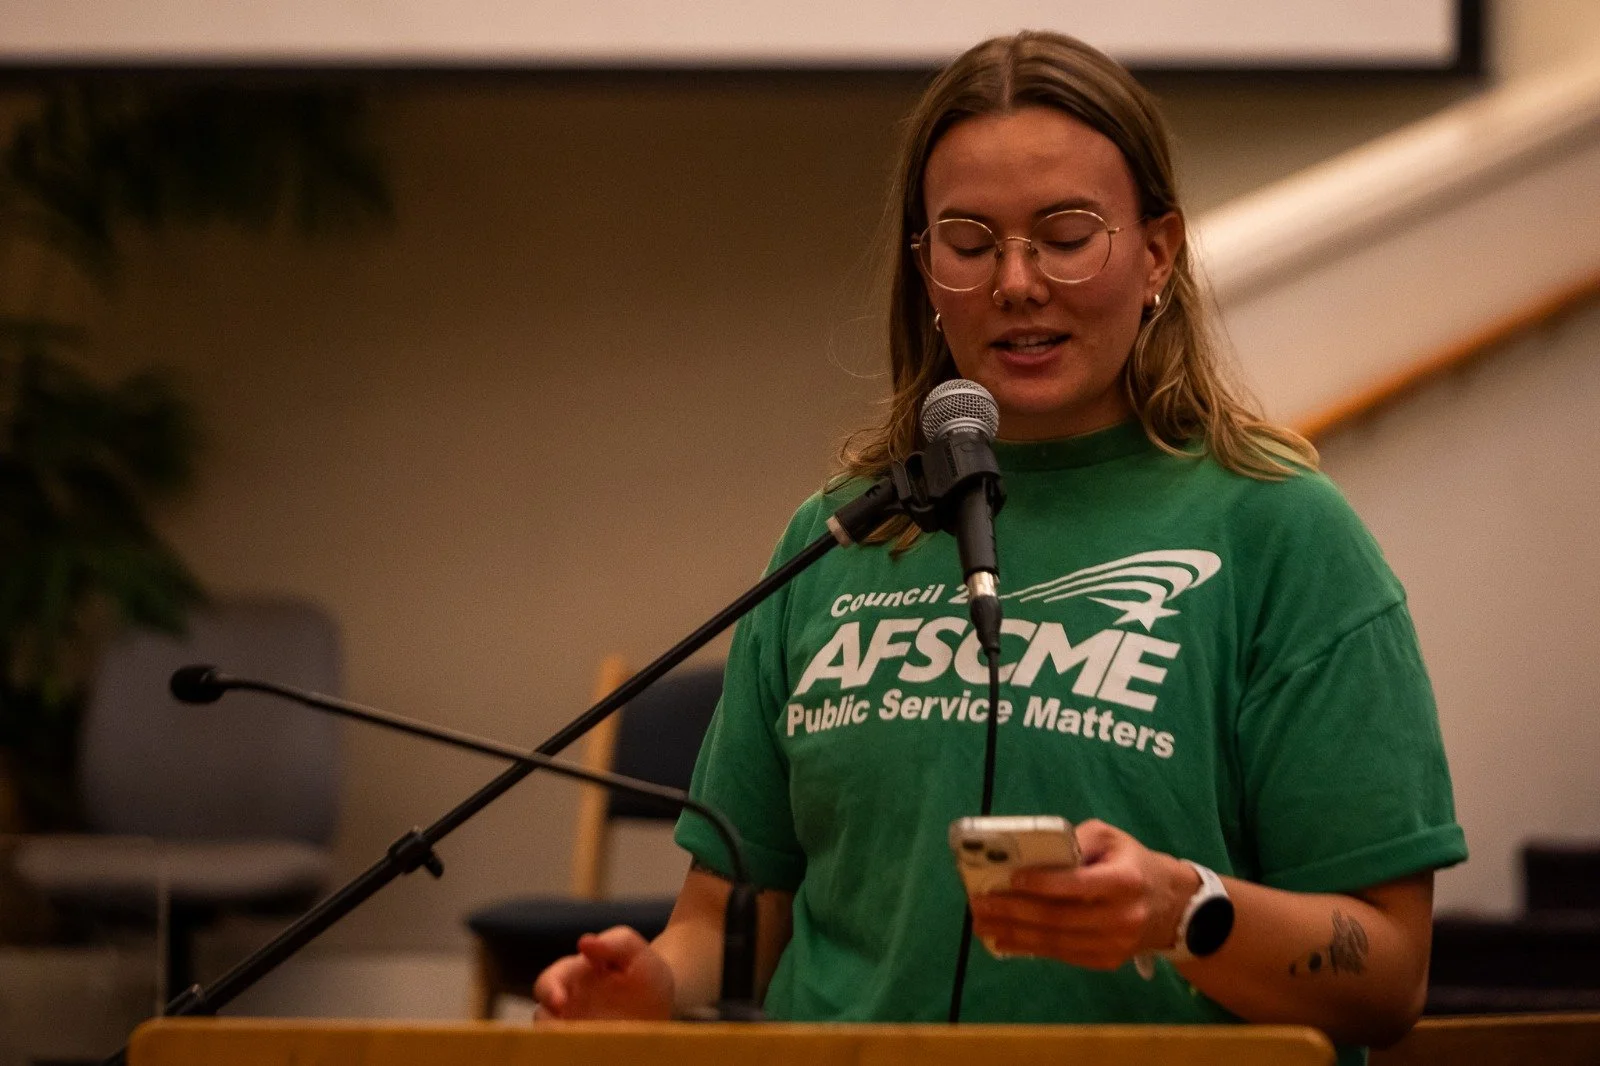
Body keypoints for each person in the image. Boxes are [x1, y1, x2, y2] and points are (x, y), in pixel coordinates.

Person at [534, 29, 1466, 1063]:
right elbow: (729, 921)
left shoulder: (1281, 532)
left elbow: (1387, 971)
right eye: (970, 243)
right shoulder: (837, 537)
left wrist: (1185, 910)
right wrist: (657, 988)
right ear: (925, 267)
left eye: (1065, 235)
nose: (1016, 282)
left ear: (1158, 252)